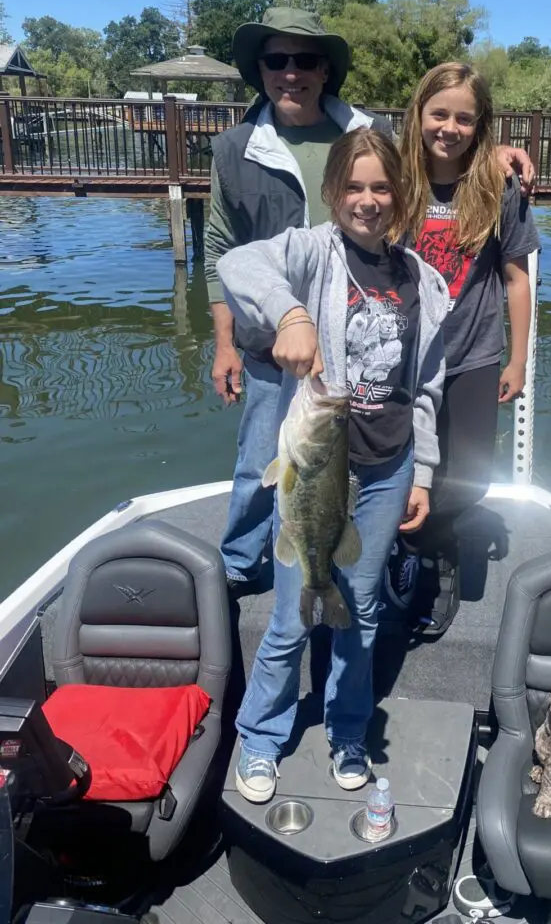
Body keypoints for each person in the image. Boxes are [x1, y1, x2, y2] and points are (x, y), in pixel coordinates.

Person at [204, 8, 536, 590]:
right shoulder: (239, 149)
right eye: (277, 60)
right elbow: (224, 252)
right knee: (272, 463)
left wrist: (496, 151)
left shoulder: (378, 136)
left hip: (420, 343)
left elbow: (444, 146)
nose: (291, 72)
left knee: (419, 470)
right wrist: (231, 338)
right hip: (312, 341)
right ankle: (251, 570)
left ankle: (395, 559)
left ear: (326, 70)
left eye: (305, 60)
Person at [216, 128, 449, 803]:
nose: (368, 201)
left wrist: (423, 472)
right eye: (354, 187)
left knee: (363, 609)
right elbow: (238, 265)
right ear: (330, 193)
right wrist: (289, 314)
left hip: (386, 472)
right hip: (316, 472)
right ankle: (260, 737)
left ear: (402, 196)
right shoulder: (312, 252)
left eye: (382, 188)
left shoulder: (422, 280)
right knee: (291, 617)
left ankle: (348, 730)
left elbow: (426, 384)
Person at [387, 62, 541, 634]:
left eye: (465, 118)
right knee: (395, 463)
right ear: (418, 115)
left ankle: (437, 551)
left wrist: (517, 358)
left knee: (468, 477)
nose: (449, 127)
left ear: (481, 127)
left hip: (474, 355)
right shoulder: (393, 178)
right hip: (401, 358)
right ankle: (407, 552)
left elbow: (517, 279)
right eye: (439, 113)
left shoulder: (500, 187)